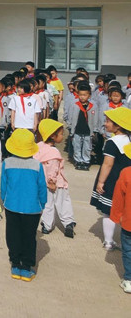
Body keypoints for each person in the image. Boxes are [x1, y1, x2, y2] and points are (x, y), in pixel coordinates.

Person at [1, 129, 48, 282]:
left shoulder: (6, 163)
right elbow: (42, 187)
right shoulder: (37, 165)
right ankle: (26, 267)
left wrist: (5, 200)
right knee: (29, 237)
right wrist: (42, 203)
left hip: (12, 206)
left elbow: (3, 186)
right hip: (32, 208)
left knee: (13, 235)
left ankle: (15, 264)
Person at [90, 107, 131, 250]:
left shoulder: (112, 143)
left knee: (108, 210)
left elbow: (107, 164)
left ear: (118, 125)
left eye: (108, 121)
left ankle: (108, 241)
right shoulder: (128, 140)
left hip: (112, 180)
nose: (105, 124)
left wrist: (101, 182)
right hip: (126, 180)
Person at [34, 118, 76, 238]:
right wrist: (52, 181)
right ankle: (68, 223)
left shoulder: (39, 147)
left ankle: (47, 226)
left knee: (47, 204)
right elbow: (53, 169)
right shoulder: (53, 152)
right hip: (57, 183)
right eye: (61, 134)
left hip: (43, 182)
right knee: (63, 202)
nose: (62, 136)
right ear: (53, 136)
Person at [110, 141, 131, 294]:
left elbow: (118, 197)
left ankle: (129, 279)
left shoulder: (126, 173)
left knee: (128, 250)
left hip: (129, 220)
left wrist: (117, 215)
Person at [65, 82, 97, 170]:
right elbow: (71, 116)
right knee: (77, 146)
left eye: (85, 95)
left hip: (87, 130)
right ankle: (78, 161)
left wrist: (94, 130)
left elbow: (95, 118)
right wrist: (70, 127)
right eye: (81, 95)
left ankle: (86, 161)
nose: (82, 97)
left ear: (89, 95)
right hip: (77, 129)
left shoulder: (93, 106)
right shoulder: (75, 104)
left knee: (87, 147)